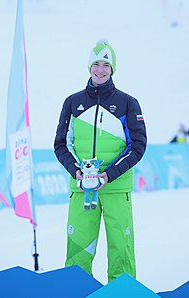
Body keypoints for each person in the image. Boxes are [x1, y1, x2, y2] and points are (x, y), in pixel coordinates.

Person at [54, 39, 147, 282]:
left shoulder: (128, 103)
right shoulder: (72, 103)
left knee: (121, 249)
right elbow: (61, 144)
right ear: (89, 66)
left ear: (112, 69)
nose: (100, 69)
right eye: (96, 63)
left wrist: (109, 175)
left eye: (106, 64)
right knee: (78, 250)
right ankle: (76, 291)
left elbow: (137, 145)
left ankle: (123, 294)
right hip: (82, 188)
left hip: (116, 188)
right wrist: (76, 172)